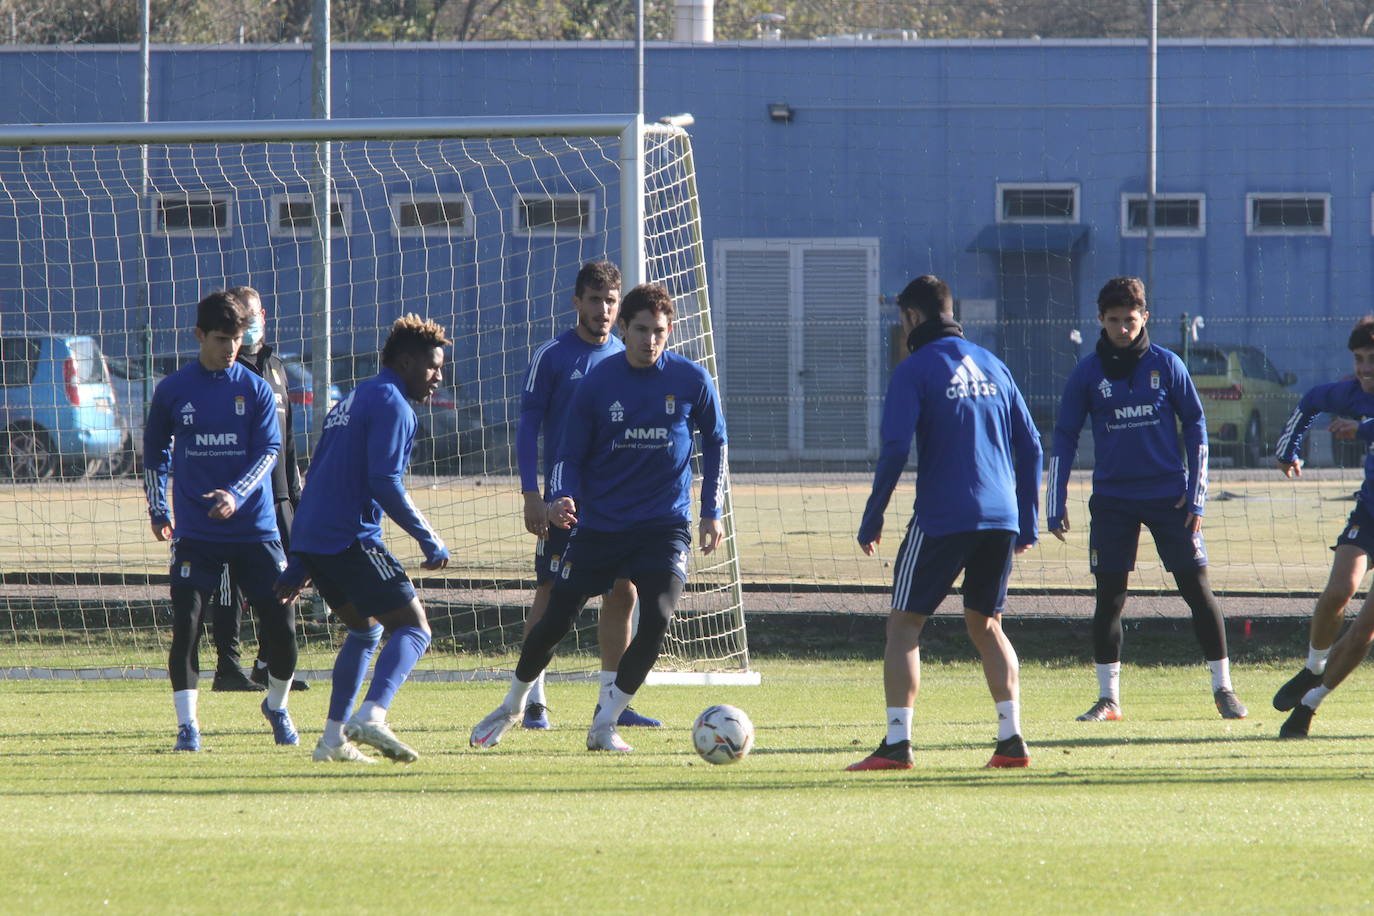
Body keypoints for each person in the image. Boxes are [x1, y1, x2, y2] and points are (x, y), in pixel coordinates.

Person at [470, 283, 726, 753]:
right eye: (642, 330)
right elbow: (567, 452)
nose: (651, 341)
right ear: (624, 329)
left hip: (663, 525)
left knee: (659, 616)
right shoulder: (598, 382)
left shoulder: (692, 379)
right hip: (601, 524)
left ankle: (605, 722)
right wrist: (559, 496)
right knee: (556, 618)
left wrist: (711, 510)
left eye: (661, 332)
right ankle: (512, 704)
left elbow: (717, 440)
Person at [848, 275, 1041, 772]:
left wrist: (873, 516)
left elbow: (894, 447)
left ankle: (897, 744)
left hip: (943, 516)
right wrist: (1028, 520)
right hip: (1001, 518)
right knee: (986, 623)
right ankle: (1011, 738)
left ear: (911, 317)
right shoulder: (996, 365)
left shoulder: (914, 370)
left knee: (904, 623)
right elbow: (1033, 445)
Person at [1046, 276, 1247, 722]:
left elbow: (1195, 426)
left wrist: (1196, 498)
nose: (1122, 328)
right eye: (1113, 320)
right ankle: (1108, 699)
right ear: (1100, 319)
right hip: (1114, 500)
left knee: (1197, 590)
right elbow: (1063, 436)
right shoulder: (1086, 373)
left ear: (1145, 318)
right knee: (1110, 598)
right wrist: (1054, 500)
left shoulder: (1167, 364)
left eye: (1130, 320)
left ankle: (1224, 689)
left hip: (1169, 498)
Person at [276, 314, 450, 764]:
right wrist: (429, 539)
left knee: (365, 629)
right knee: (413, 628)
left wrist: (301, 556)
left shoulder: (353, 399)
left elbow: (318, 475)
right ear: (407, 362)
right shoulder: (394, 404)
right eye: (433, 366)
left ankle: (332, 739)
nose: (438, 377)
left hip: (318, 538)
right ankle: (372, 714)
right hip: (349, 538)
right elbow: (384, 482)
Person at [143, 290, 299, 752]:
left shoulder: (253, 388)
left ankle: (277, 705)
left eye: (235, 338)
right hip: (196, 532)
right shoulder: (173, 390)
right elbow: (155, 454)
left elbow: (268, 452)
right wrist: (158, 508)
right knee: (187, 622)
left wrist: (235, 494)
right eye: (220, 338)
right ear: (198, 336)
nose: (231, 347)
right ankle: (188, 726)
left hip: (255, 529)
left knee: (282, 628)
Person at [515, 261, 659, 730]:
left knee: (624, 592)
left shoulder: (629, 356)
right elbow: (528, 428)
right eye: (594, 300)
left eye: (610, 300)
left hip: (616, 505)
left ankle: (610, 702)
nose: (602, 309)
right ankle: (533, 698)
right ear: (577, 302)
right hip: (565, 502)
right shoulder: (553, 356)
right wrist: (532, 495)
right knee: (551, 590)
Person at [1271, 317, 1374, 738]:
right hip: (1369, 513)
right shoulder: (1351, 392)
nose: (1365, 369)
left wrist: (1361, 429)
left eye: (1373, 361)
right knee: (1338, 591)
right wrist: (1287, 450)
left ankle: (1311, 704)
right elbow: (1311, 400)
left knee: (1365, 627)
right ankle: (1313, 668)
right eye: (1359, 360)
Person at [209, 285, 309, 693]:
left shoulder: (277, 366)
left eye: (253, 320)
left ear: (263, 317)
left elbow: (286, 441)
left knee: (290, 579)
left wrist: (297, 494)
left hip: (280, 493)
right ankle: (226, 667)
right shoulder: (224, 370)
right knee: (229, 580)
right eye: (240, 322)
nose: (248, 329)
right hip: (241, 498)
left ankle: (268, 664)